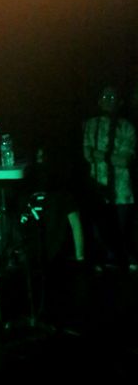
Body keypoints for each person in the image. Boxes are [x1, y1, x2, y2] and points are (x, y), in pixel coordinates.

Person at [83, 84, 137, 272]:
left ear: (120, 102)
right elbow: (87, 155)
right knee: (100, 234)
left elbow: (125, 160)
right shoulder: (90, 124)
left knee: (121, 232)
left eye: (112, 98)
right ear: (99, 101)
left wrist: (100, 154)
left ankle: (124, 264)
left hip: (121, 191)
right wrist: (111, 156)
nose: (108, 101)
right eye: (105, 98)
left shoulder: (128, 127)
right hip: (98, 188)